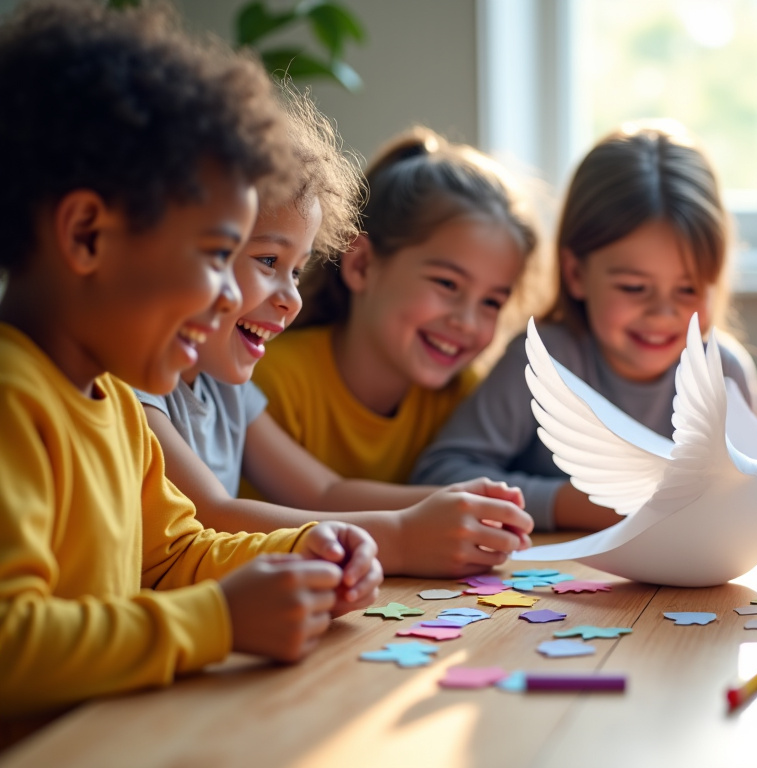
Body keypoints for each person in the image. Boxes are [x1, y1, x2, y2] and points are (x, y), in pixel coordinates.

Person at [0, 2, 380, 717]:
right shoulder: (12, 400)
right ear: (86, 235)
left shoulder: (113, 402)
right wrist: (218, 621)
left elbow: (176, 554)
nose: (230, 292)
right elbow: (11, 644)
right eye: (214, 255)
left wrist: (304, 551)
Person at [137, 86, 532, 578]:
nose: (292, 297)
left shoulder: (223, 385)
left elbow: (324, 492)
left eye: (297, 271)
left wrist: (455, 503)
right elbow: (211, 519)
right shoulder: (134, 390)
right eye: (268, 261)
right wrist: (403, 538)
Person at [413, 121, 757, 532]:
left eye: (688, 289)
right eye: (634, 287)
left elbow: (749, 492)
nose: (662, 313)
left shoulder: (724, 371)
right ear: (576, 273)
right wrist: (566, 504)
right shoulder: (544, 360)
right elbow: (437, 475)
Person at [245, 125, 537, 514]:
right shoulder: (270, 380)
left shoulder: (464, 398)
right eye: (447, 284)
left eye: (491, 302)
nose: (467, 322)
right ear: (362, 265)